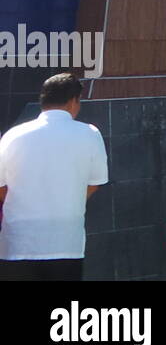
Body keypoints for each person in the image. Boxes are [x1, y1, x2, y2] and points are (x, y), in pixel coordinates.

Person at [0, 73, 108, 281]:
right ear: (73, 100)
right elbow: (95, 183)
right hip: (66, 243)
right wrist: (66, 201)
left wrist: (25, 203)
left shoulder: (13, 136)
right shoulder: (90, 134)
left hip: (18, 244)